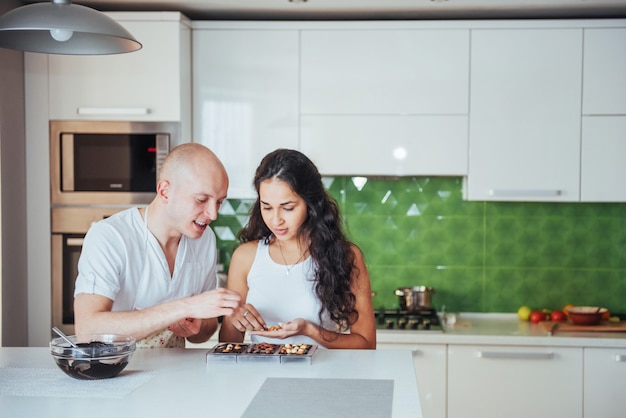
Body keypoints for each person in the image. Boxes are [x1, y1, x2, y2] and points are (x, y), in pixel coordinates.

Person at [73, 143, 242, 348]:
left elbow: (203, 333)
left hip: (175, 374)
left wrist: (197, 326)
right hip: (118, 372)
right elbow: (87, 330)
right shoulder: (110, 236)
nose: (213, 214)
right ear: (164, 191)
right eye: (201, 199)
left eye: (219, 202)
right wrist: (183, 307)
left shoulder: (205, 240)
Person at [219, 149, 376, 349]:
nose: (276, 220)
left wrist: (310, 330)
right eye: (267, 207)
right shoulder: (245, 257)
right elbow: (228, 345)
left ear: (311, 204)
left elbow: (367, 344)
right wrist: (235, 319)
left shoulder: (346, 256)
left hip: (324, 376)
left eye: (288, 207)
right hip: (259, 375)